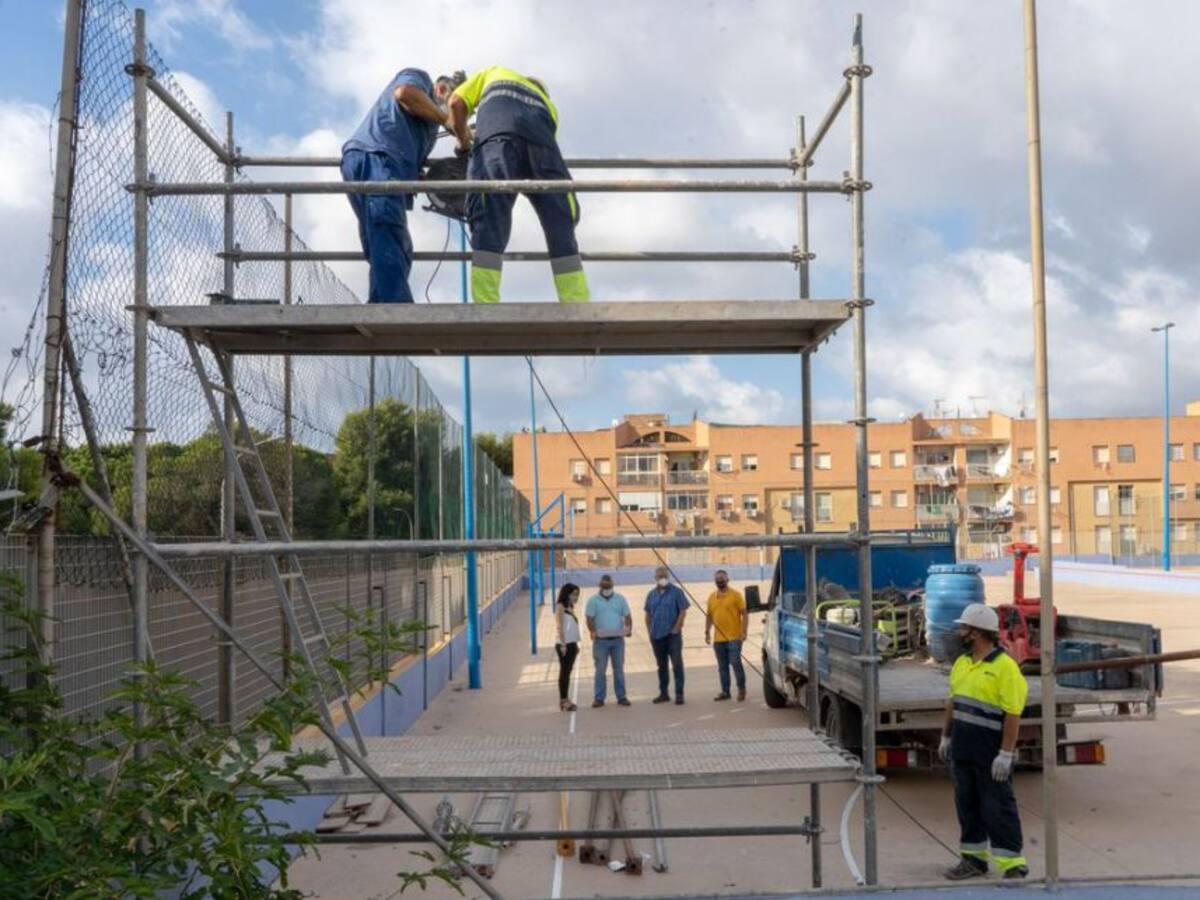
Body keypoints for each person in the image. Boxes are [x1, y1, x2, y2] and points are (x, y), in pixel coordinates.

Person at [446, 66, 589, 304]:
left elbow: (454, 103)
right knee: (561, 220)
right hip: (543, 147)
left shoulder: (494, 72)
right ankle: (576, 302)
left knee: (489, 215)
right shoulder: (549, 106)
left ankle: (486, 303)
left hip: (497, 140)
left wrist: (464, 142)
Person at [341, 69, 465, 302]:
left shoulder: (426, 129)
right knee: (388, 231)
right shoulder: (419, 79)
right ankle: (394, 307)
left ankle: (379, 305)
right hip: (379, 158)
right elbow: (404, 93)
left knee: (386, 240)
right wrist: (445, 117)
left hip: (375, 161)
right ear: (442, 90)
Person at [938, 603, 1029, 881]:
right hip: (963, 750)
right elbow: (953, 703)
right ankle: (973, 861)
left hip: (990, 753)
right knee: (967, 807)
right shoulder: (962, 663)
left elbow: (1013, 713)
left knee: (997, 807)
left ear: (976, 633)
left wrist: (1005, 753)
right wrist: (945, 736)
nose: (959, 632)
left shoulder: (1006, 668)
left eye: (964, 628)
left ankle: (1013, 864)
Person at [584, 574, 631, 708]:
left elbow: (627, 616)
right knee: (600, 670)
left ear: (612, 586)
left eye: (609, 586)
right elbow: (589, 619)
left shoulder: (620, 599)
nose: (607, 589)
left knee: (619, 669)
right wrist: (592, 631)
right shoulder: (593, 601)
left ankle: (621, 697)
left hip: (617, 640)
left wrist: (628, 629)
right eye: (605, 586)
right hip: (601, 641)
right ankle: (599, 698)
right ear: (600, 586)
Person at [644, 566, 689, 705]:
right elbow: (648, 614)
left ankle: (679, 694)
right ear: (655, 578)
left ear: (668, 577)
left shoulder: (676, 592)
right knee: (661, 666)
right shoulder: (651, 594)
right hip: (657, 636)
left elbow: (683, 610)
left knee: (677, 665)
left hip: (673, 635)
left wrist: (677, 627)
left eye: (664, 576)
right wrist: (650, 632)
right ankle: (664, 694)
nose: (662, 578)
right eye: (659, 576)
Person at [705, 570, 748, 701]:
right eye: (717, 579)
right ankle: (725, 691)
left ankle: (741, 689)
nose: (720, 582)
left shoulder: (736, 595)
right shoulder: (712, 597)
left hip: (734, 637)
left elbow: (744, 614)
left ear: (727, 579)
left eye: (722, 579)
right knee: (722, 667)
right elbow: (709, 616)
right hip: (718, 639)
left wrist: (744, 631)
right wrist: (707, 632)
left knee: (735, 662)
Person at [554, 582, 581, 712]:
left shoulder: (570, 607)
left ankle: (565, 699)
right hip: (563, 644)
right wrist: (563, 644)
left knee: (567, 673)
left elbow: (572, 628)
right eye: (574, 594)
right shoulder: (560, 607)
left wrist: (575, 645)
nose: (576, 597)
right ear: (567, 594)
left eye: (577, 595)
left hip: (572, 644)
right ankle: (563, 700)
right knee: (564, 673)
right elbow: (559, 626)